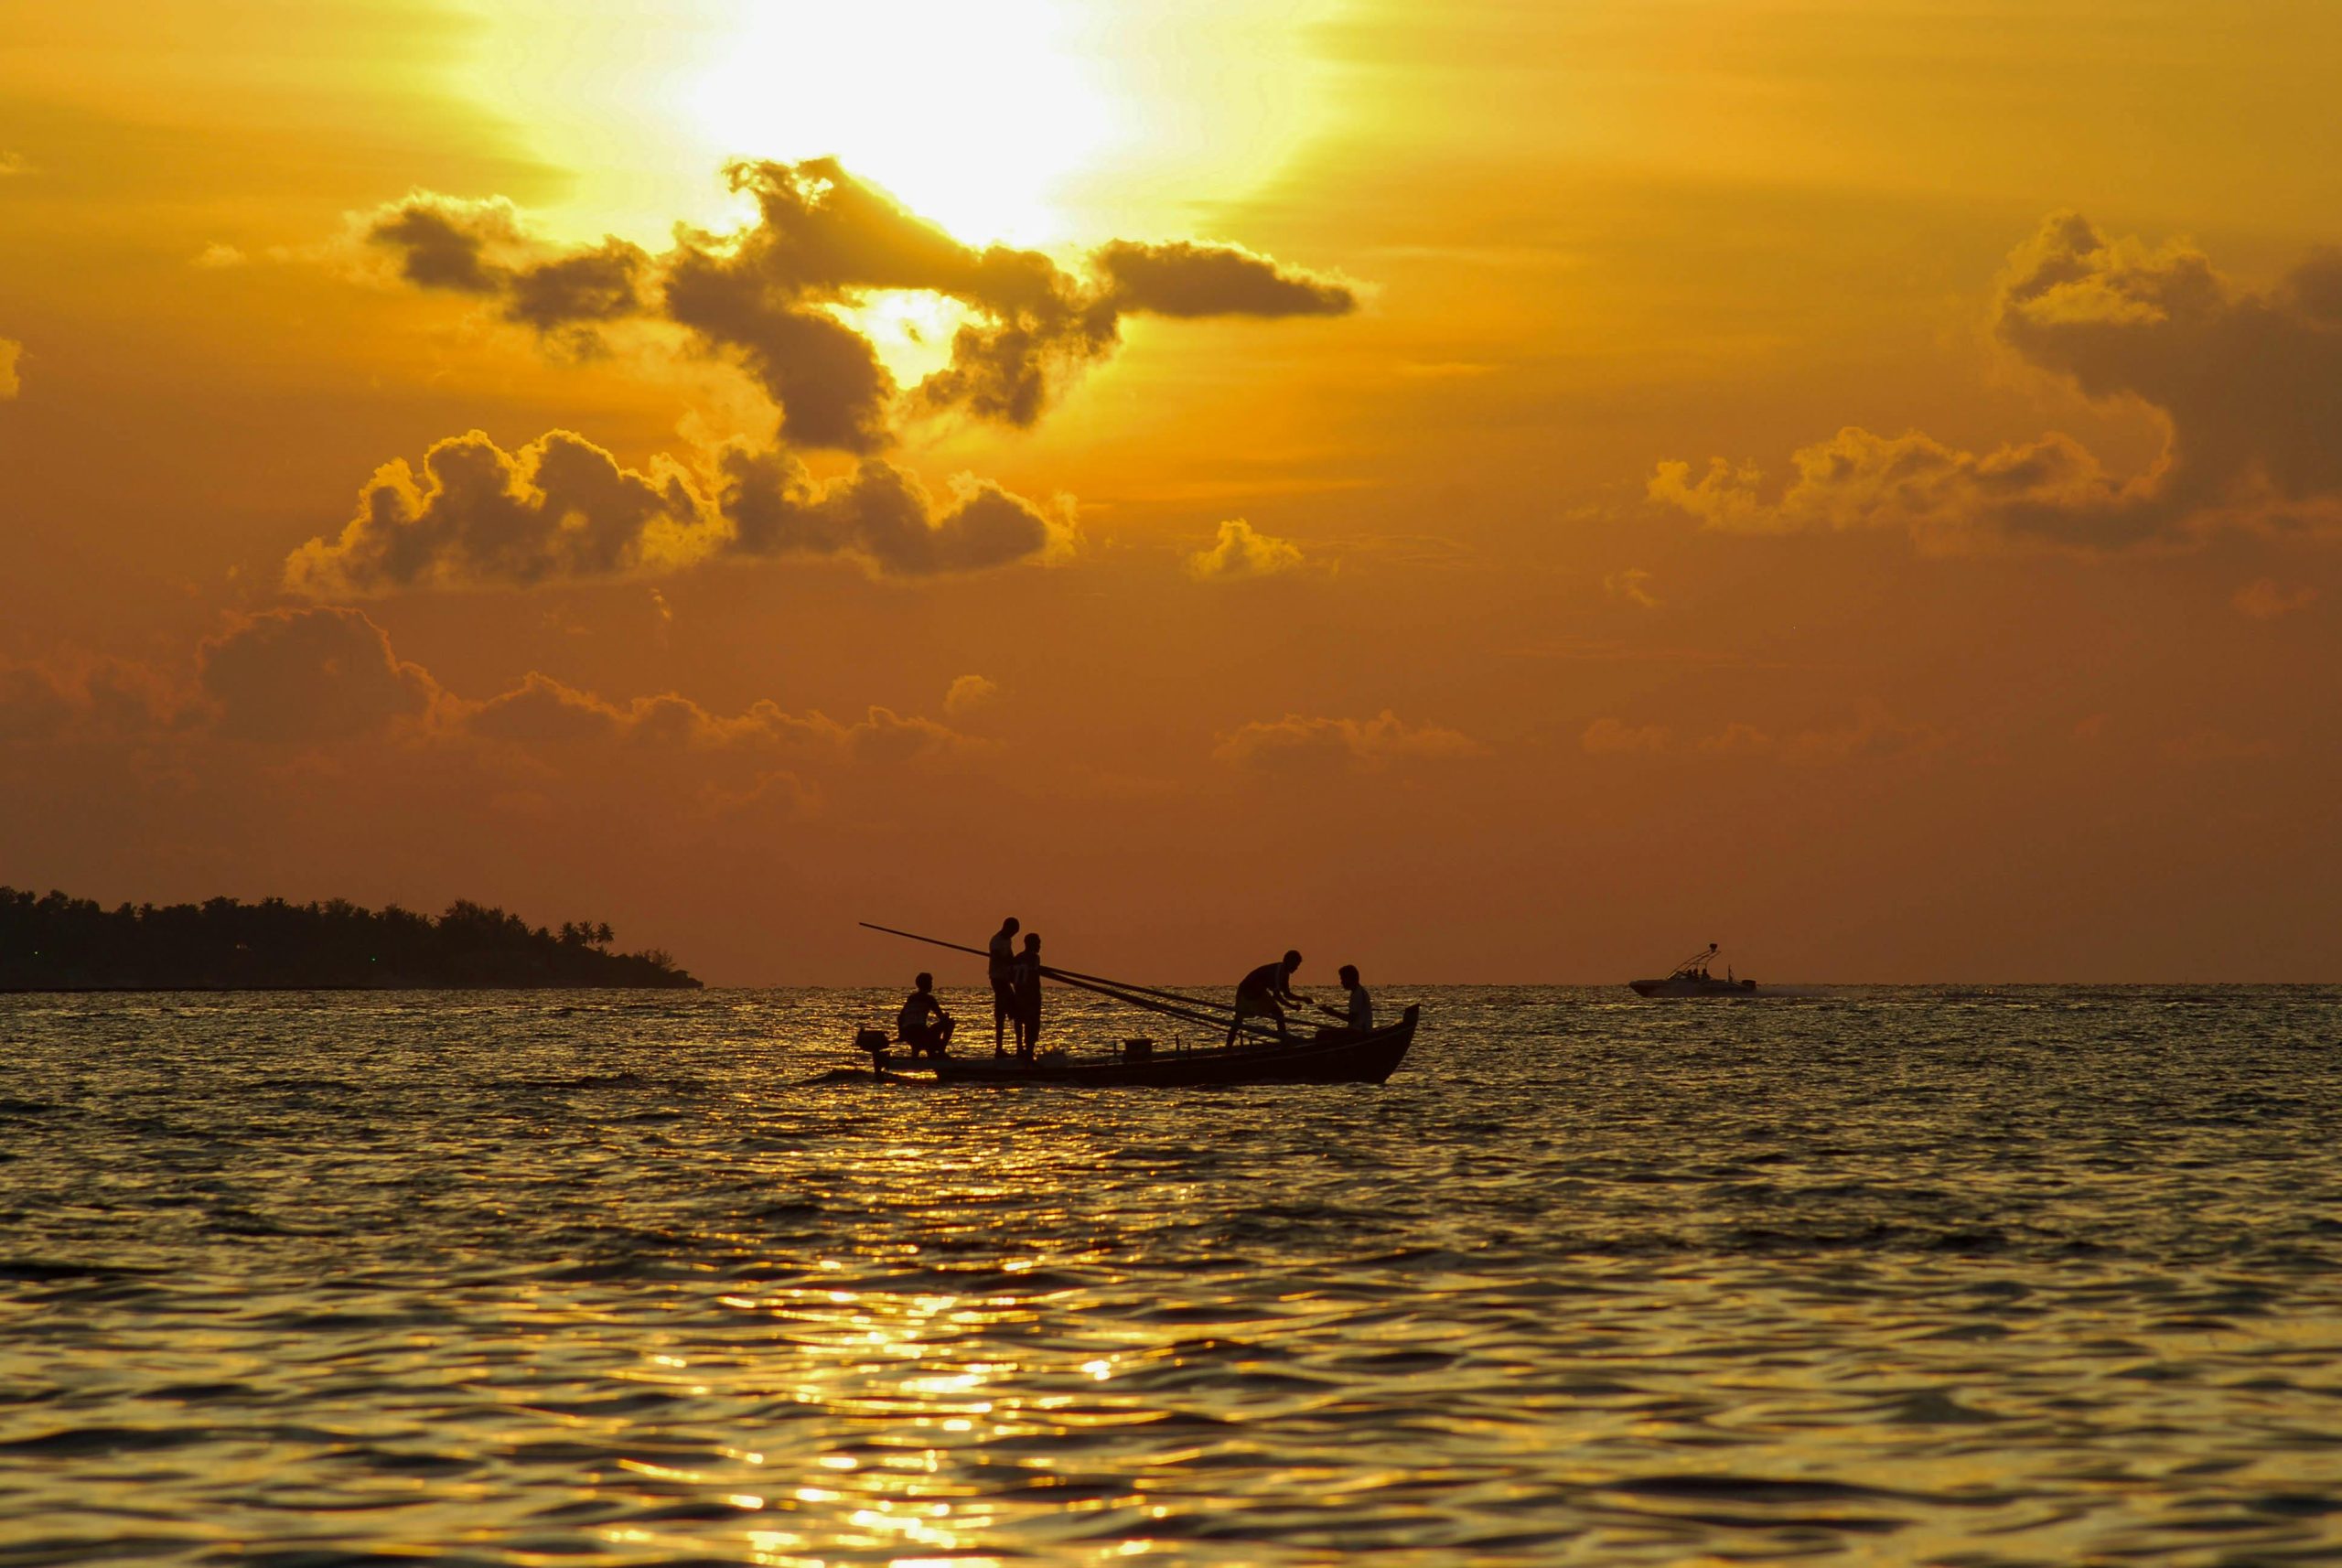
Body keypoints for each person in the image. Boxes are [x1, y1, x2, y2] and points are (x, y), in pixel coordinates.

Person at [1228, 949, 1308, 1046]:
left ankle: (1283, 1042)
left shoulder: (1285, 974)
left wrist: (1303, 999)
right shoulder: (1277, 972)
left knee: (1278, 1013)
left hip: (1260, 993)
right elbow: (1277, 997)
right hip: (1246, 991)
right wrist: (1292, 1006)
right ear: (1288, 962)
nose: (1296, 968)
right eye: (1295, 965)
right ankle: (1228, 1049)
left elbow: (1287, 994)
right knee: (1237, 1022)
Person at [897, 972, 954, 1058]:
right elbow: (941, 1018)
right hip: (920, 1033)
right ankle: (941, 1050)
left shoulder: (911, 998)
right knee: (950, 1023)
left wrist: (901, 1035)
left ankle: (919, 1052)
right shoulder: (929, 999)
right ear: (926, 984)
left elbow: (900, 1018)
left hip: (908, 1033)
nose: (932, 985)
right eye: (930, 983)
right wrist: (946, 1017)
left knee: (925, 1033)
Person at [987, 916, 1020, 1056]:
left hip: (1005, 980)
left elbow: (1010, 958)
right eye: (1013, 931)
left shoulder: (1008, 940)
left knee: (1014, 1012)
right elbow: (997, 958)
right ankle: (999, 1049)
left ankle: (1018, 1048)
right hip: (998, 980)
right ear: (1007, 927)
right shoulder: (996, 941)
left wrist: (1015, 963)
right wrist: (1008, 961)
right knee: (1002, 1014)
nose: (1013, 935)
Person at [1013, 932, 1044, 1058]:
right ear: (1032, 944)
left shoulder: (1018, 957)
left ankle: (1020, 1049)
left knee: (1019, 1021)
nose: (1039, 946)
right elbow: (1033, 972)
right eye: (1038, 943)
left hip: (1019, 994)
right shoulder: (1035, 957)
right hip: (1031, 995)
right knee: (1032, 1023)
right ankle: (1029, 1051)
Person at [1338, 963, 1373, 1034]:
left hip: (1359, 1033)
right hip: (1359, 1031)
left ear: (1350, 979)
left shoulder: (1357, 994)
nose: (1341, 982)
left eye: (1343, 979)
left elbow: (1351, 1018)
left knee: (1321, 1034)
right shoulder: (1359, 991)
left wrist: (1332, 1013)